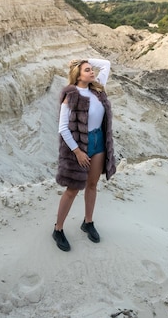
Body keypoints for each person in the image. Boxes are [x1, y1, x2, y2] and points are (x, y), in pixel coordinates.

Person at [52, 58, 116, 252]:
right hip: (79, 144)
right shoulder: (71, 96)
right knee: (72, 189)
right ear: (78, 75)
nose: (92, 72)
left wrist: (84, 58)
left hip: (98, 141)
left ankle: (88, 222)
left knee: (92, 184)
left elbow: (106, 64)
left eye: (91, 69)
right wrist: (77, 152)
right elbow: (63, 128)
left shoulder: (97, 89)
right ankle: (58, 229)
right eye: (87, 70)